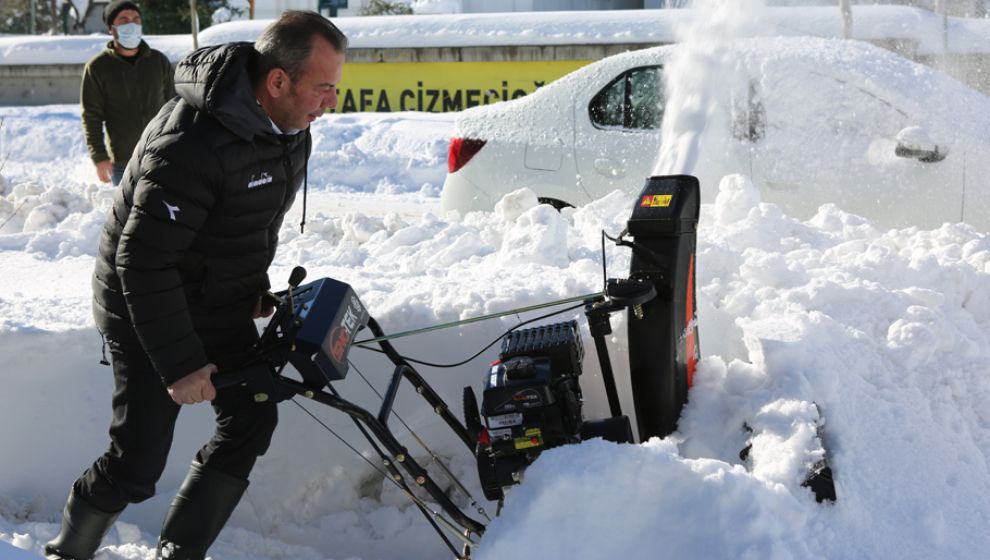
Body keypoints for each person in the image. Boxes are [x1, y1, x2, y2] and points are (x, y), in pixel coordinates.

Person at [45, 11, 347, 560]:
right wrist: (182, 363)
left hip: (211, 295)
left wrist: (251, 286)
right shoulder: (190, 142)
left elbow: (247, 221)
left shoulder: (289, 131)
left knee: (252, 415)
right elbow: (142, 263)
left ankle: (179, 553)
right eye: (322, 87)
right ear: (277, 81)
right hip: (145, 308)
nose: (331, 102)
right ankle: (65, 551)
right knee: (137, 465)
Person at [80, 0, 174, 186]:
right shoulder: (98, 67)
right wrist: (99, 157)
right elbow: (91, 116)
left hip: (161, 156)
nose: (131, 24)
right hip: (123, 163)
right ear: (111, 28)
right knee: (127, 213)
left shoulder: (158, 61)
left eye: (136, 19)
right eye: (123, 19)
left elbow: (175, 106)